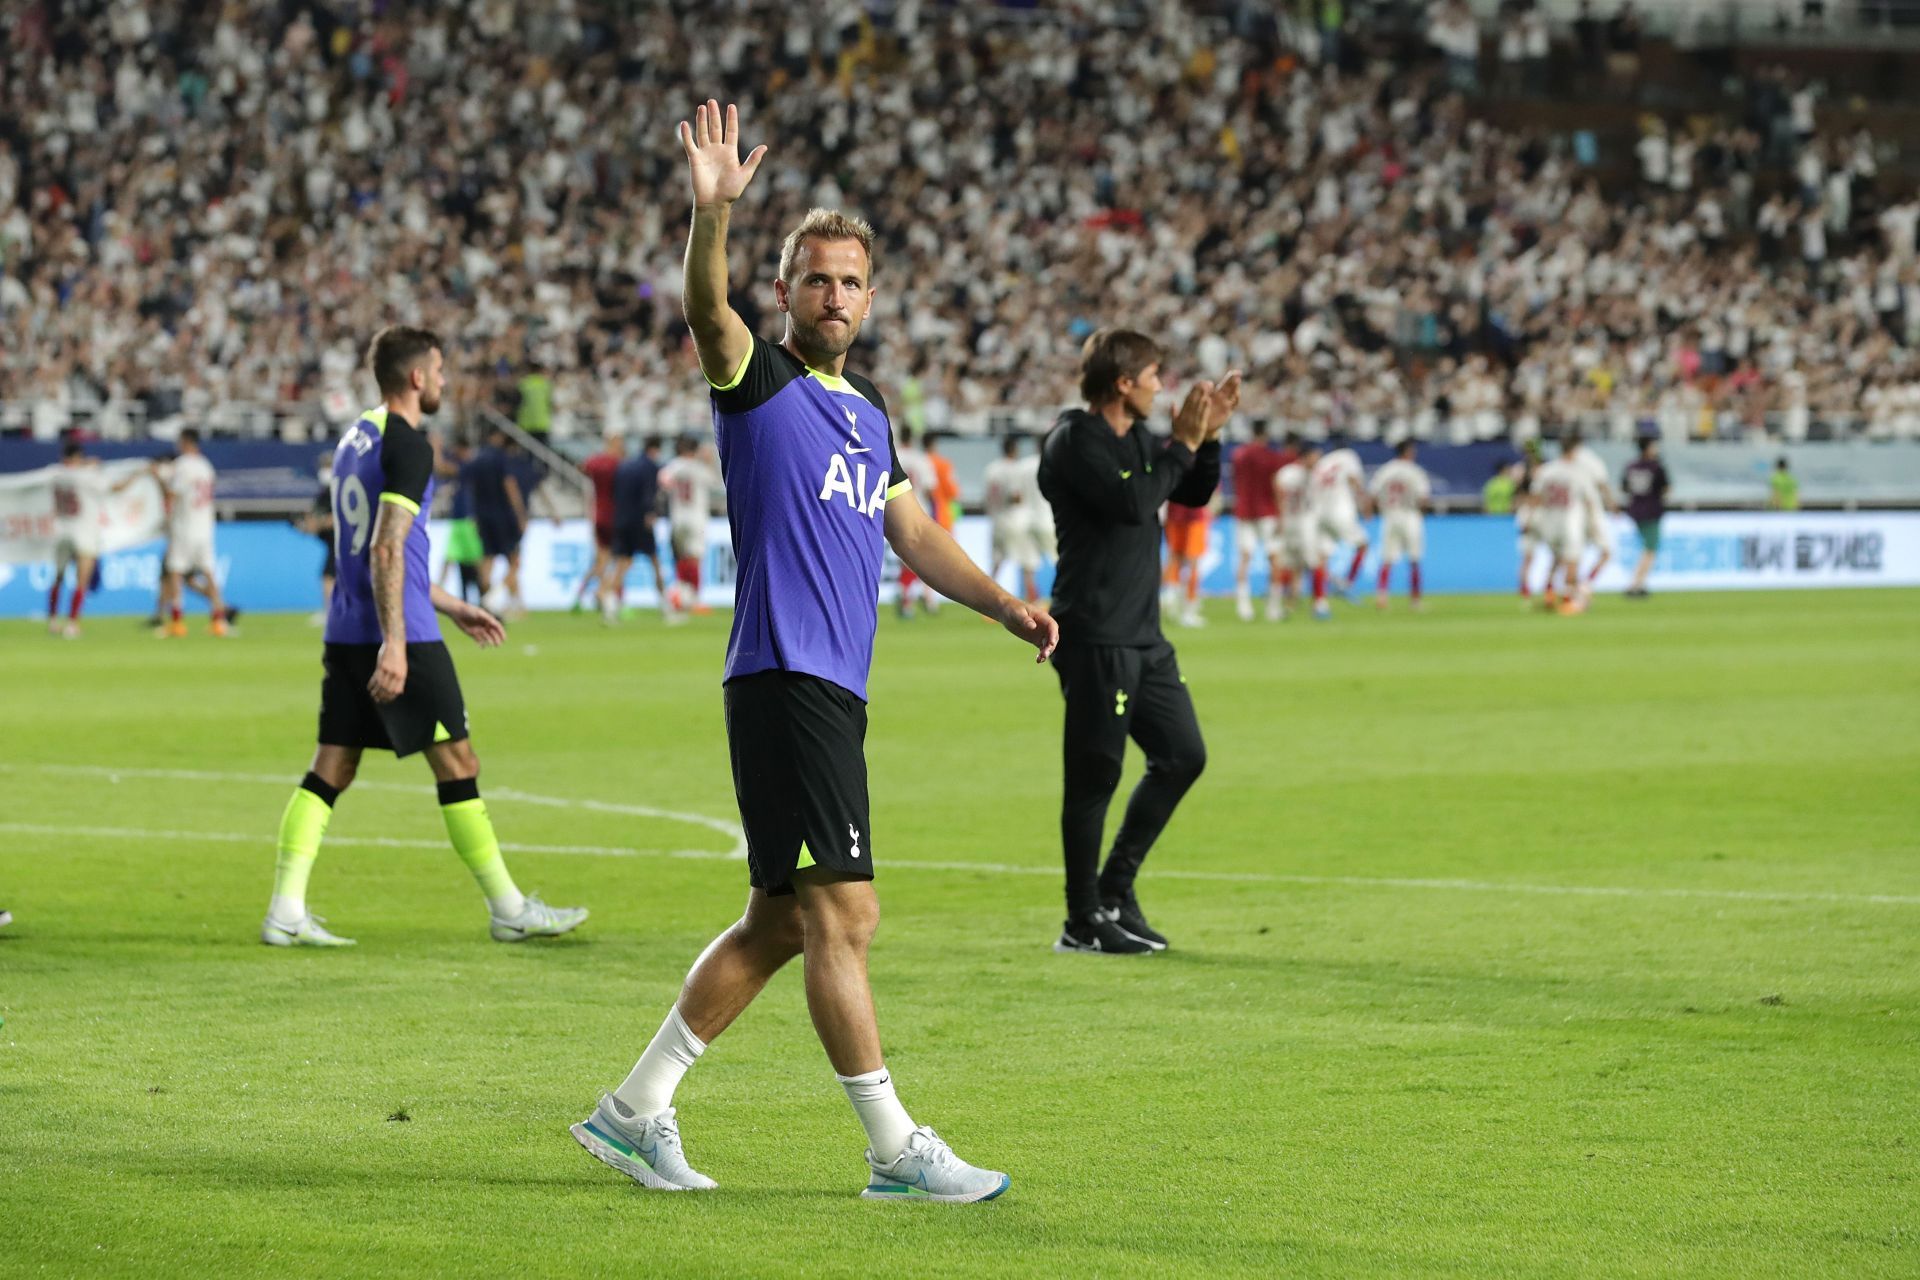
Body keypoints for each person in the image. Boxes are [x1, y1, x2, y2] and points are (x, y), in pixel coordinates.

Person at [570, 102, 1056, 1204]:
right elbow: (704, 307)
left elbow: (914, 532)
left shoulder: (869, 408)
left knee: (783, 919)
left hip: (832, 684)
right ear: (785, 291)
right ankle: (894, 1148)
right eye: (816, 278)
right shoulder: (759, 379)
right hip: (785, 675)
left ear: (870, 299)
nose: (834, 295)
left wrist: (1007, 605)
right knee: (849, 913)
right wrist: (713, 216)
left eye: (850, 281)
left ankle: (632, 1110)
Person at [262, 326, 587, 948]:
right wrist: (398, 641)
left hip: (349, 628)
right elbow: (386, 544)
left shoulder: (357, 434)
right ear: (416, 377)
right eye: (438, 370)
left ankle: (285, 909)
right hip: (395, 631)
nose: (443, 381)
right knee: (458, 762)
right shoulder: (410, 444)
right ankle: (509, 908)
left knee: (333, 764)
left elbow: (372, 551)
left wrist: (451, 602)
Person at [1039, 326, 1240, 956]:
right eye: (1153, 375)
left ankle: (1115, 891)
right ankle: (1080, 919)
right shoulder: (1076, 441)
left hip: (1143, 639)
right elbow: (1134, 502)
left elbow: (1192, 492)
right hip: (1097, 635)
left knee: (1184, 755)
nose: (1161, 386)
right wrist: (1182, 442)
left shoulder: (1140, 438)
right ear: (1123, 383)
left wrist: (1205, 440)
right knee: (1095, 778)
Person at [152, 429, 230, 638]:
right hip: (205, 526)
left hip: (185, 527)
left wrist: (158, 480)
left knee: (176, 572)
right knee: (208, 572)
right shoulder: (206, 465)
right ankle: (218, 619)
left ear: (185, 442)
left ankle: (177, 621)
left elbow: (172, 494)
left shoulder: (182, 465)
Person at [1530, 436, 1604, 614]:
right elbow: (1588, 499)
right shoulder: (1577, 472)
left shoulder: (1546, 471)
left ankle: (1548, 596)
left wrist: (1531, 520)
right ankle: (1568, 600)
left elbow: (1536, 497)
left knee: (1555, 560)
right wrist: (1593, 523)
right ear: (1573, 451)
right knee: (1572, 561)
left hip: (1549, 522)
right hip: (1570, 521)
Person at [46, 441, 108, 638]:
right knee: (81, 580)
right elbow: (108, 487)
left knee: (58, 577)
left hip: (62, 530)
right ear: (77, 457)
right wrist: (93, 467)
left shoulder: (55, 474)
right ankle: (72, 623)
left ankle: (53, 620)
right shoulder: (87, 475)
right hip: (83, 531)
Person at [1229, 422, 1287, 622]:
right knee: (1274, 558)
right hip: (1267, 512)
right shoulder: (1270, 457)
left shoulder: (1238, 454)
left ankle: (1243, 606)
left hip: (1244, 511)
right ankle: (1273, 607)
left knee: (1244, 558)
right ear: (1266, 435)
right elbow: (1276, 485)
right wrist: (1281, 514)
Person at [1308, 436, 1371, 618]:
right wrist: (1364, 502)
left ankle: (1320, 605)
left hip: (1319, 513)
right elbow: (1354, 479)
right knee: (1362, 545)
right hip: (1340, 511)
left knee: (1320, 558)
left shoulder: (1323, 462)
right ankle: (1347, 583)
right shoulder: (1348, 456)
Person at [606, 436, 667, 622]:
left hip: (621, 520)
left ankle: (609, 606)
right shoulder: (650, 467)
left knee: (622, 563)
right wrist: (650, 513)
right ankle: (666, 606)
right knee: (655, 562)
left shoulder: (624, 466)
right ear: (655, 449)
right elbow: (649, 493)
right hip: (641, 521)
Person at [658, 436, 721, 615]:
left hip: (677, 518)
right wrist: (709, 462)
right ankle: (692, 599)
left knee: (681, 558)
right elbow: (716, 483)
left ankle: (681, 596)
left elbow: (663, 481)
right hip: (696, 518)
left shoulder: (672, 466)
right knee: (695, 559)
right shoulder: (698, 467)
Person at [468, 428, 527, 615]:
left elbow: (470, 488)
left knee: (487, 558)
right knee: (514, 560)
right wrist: (520, 514)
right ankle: (494, 598)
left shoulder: (476, 459)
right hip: (503, 516)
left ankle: (495, 601)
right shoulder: (501, 458)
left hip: (482, 515)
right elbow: (509, 485)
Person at [1369, 440, 1432, 610]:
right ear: (1408, 452)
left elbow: (1373, 495)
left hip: (1389, 516)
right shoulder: (1415, 471)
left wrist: (1378, 509)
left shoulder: (1385, 470)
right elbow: (1424, 498)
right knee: (1414, 559)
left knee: (1387, 559)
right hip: (1410, 515)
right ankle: (1415, 600)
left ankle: (1381, 597)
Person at [575, 432, 627, 614]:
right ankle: (605, 594)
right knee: (619, 559)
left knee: (601, 559)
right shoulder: (619, 464)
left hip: (597, 514)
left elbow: (582, 467)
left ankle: (581, 593)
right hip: (615, 516)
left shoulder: (595, 461)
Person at [1271, 439, 1322, 620]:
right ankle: (1318, 603)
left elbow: (1276, 484)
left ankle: (1291, 603)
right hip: (1303, 522)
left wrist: (1280, 514)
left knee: (1294, 565)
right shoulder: (1308, 474)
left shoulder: (1285, 473)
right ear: (1305, 456)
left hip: (1290, 522)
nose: (1317, 459)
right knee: (1311, 563)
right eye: (1315, 455)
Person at [891, 425, 938, 617]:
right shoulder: (921, 459)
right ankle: (917, 599)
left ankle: (911, 599)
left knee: (906, 559)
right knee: (921, 559)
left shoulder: (892, 455)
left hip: (894, 513)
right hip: (918, 512)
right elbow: (930, 489)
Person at [436, 438, 485, 606]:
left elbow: (442, 468)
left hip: (468, 521)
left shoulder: (470, 468)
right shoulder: (464, 469)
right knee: (450, 559)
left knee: (475, 561)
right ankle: (438, 595)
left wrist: (436, 446)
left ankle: (485, 596)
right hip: (458, 521)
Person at [1566, 430, 1619, 587]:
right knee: (1606, 552)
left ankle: (1570, 591)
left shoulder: (1563, 462)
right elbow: (1602, 483)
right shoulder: (1590, 459)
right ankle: (1585, 584)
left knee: (1573, 555)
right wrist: (1612, 504)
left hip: (1570, 513)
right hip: (1591, 511)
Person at [1621, 435, 1670, 599]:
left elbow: (1624, 488)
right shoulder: (1656, 467)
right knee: (1650, 549)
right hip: (1652, 511)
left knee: (1646, 548)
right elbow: (1666, 489)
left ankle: (1639, 582)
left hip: (1635, 510)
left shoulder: (1631, 466)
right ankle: (1636, 583)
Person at [984, 436, 1027, 591]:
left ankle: (987, 593)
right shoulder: (1014, 469)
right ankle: (1032, 597)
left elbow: (988, 496)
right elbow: (1015, 496)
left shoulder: (991, 469)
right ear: (1014, 450)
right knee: (1025, 560)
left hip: (996, 520)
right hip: (1012, 521)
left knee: (996, 562)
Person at [1161, 496, 1212, 628]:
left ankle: (1170, 594)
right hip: (1195, 514)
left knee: (1174, 557)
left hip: (1173, 514)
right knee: (1193, 563)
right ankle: (1189, 610)